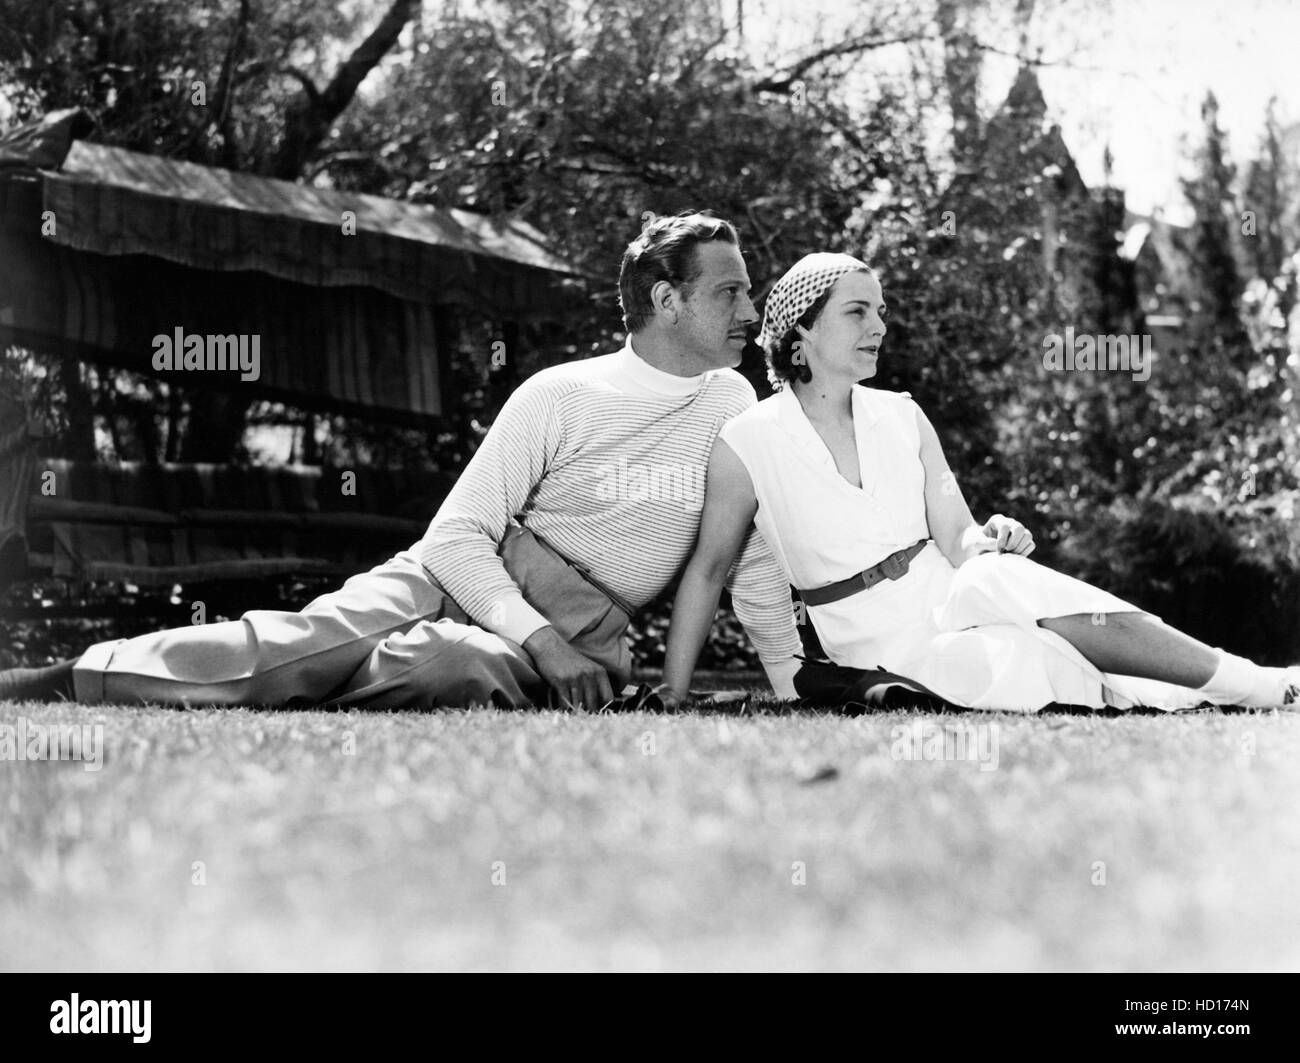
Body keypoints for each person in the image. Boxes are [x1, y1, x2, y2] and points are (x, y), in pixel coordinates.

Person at [0, 212, 805, 711]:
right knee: (298, 646)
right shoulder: (558, 394)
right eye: (730, 292)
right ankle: (74, 677)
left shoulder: (734, 405)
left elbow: (748, 560)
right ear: (668, 302)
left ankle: (307, 690)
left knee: (449, 664)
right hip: (454, 577)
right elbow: (457, 537)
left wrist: (788, 683)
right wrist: (539, 640)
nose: (751, 308)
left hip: (580, 629)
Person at [660, 252, 1300, 712]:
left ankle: (1258, 684)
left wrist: (991, 536)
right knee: (1041, 664)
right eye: (857, 312)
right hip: (877, 637)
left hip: (951, 588)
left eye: (880, 311)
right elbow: (708, 571)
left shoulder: (903, 414)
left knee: (994, 575)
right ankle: (1245, 684)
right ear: (801, 331)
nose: (879, 326)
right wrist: (676, 692)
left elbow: (957, 534)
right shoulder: (748, 441)